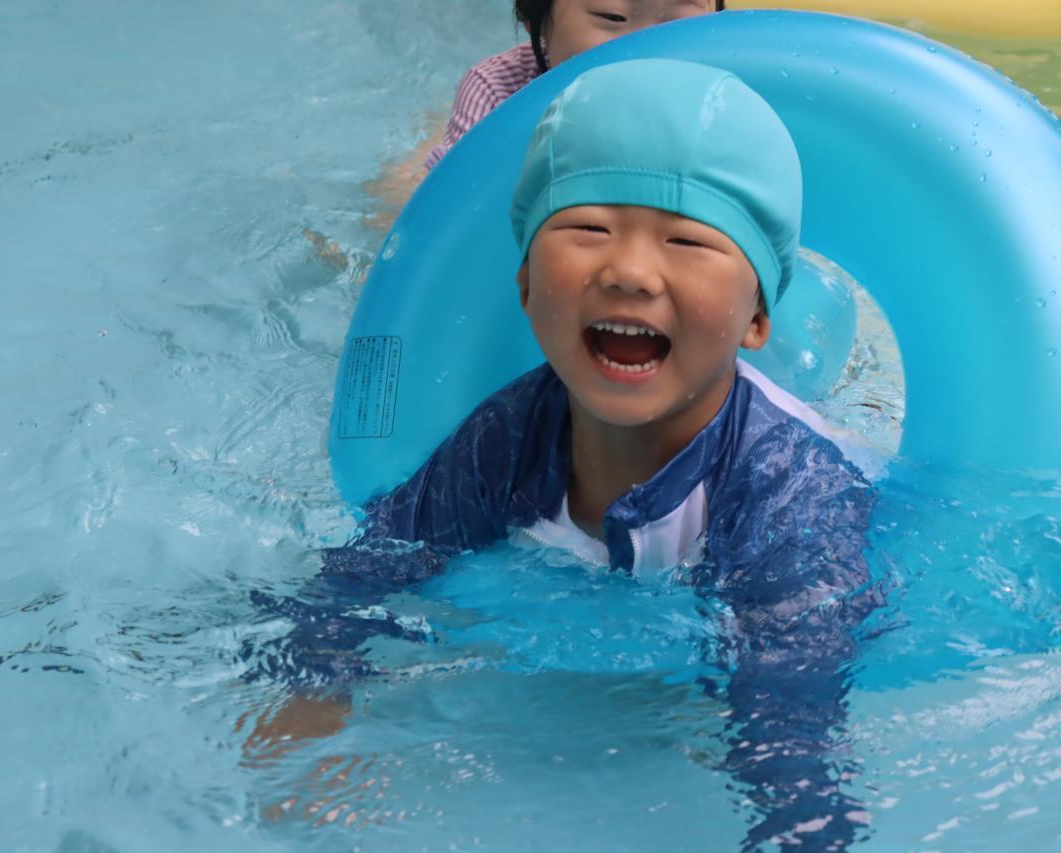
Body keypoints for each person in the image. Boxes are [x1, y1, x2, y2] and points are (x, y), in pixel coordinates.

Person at [246, 60, 880, 850]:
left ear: (756, 319)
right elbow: (367, 573)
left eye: (687, 239)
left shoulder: (791, 492)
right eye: (589, 230)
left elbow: (794, 731)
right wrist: (310, 698)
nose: (630, 271)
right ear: (523, 282)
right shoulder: (507, 436)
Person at [422, 0, 724, 171]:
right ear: (535, 21)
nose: (641, 47)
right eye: (612, 17)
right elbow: (455, 205)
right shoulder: (499, 92)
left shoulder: (723, 93)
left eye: (677, 23)